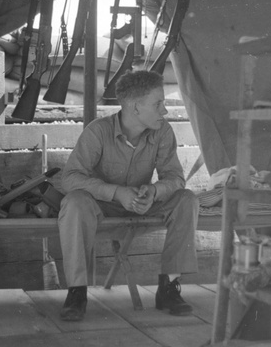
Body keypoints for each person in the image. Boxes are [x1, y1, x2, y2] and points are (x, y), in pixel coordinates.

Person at [58, 70, 199, 321]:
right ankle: (77, 292)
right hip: (103, 207)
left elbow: (175, 178)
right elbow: (69, 178)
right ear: (135, 107)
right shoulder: (97, 132)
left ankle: (169, 287)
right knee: (74, 202)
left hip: (144, 204)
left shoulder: (162, 131)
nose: (165, 111)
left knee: (187, 199)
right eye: (158, 104)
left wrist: (154, 191)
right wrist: (116, 193)